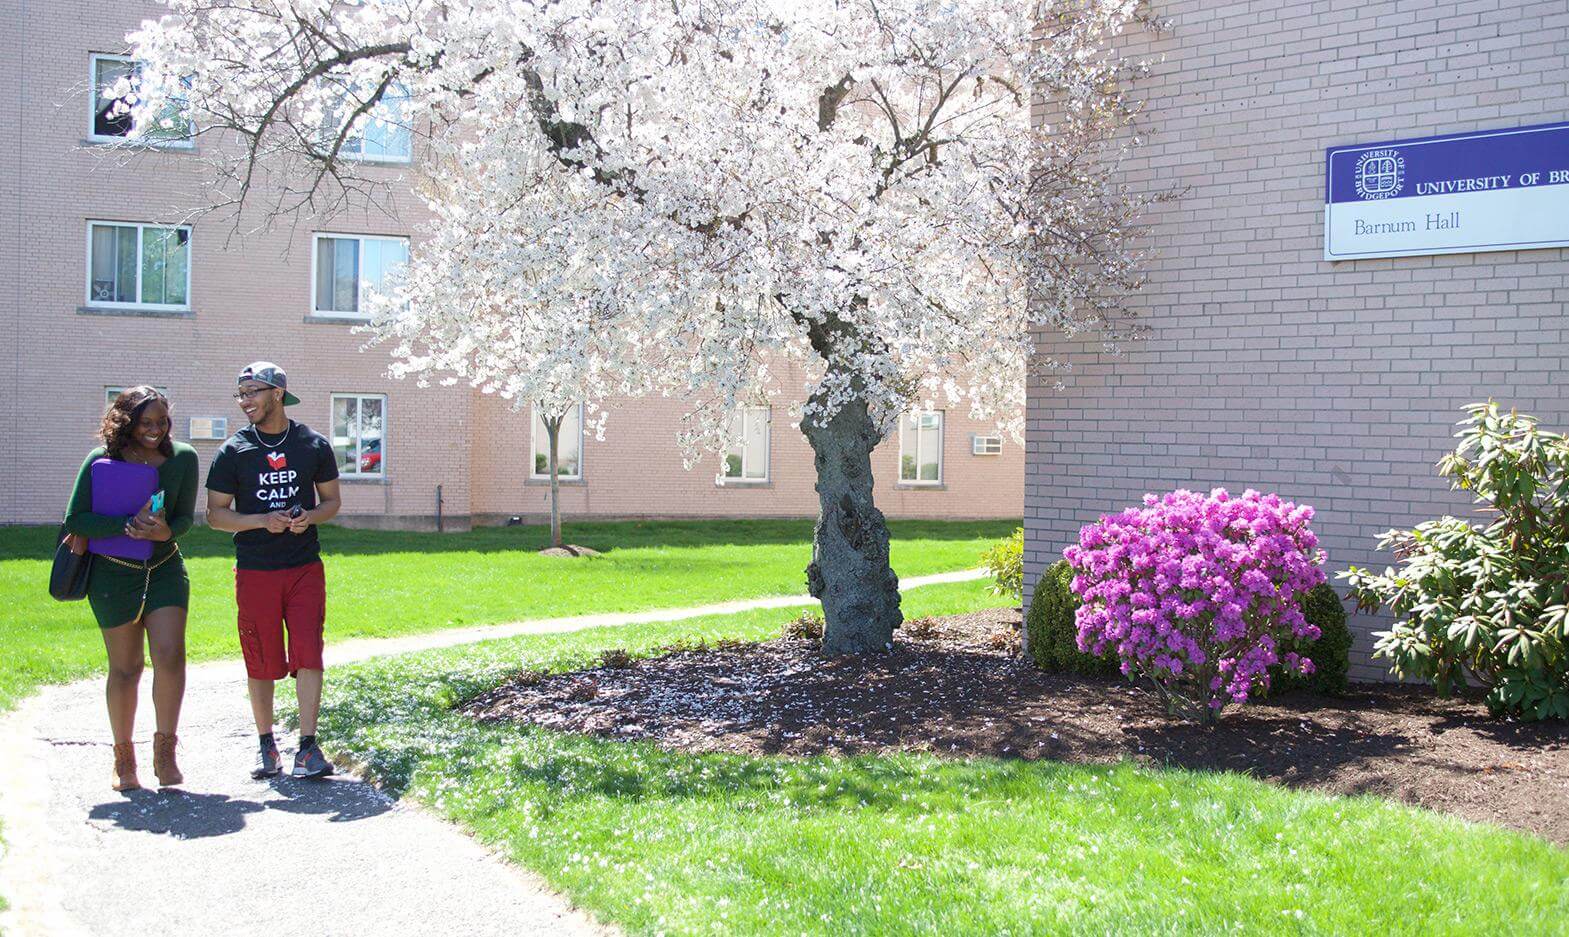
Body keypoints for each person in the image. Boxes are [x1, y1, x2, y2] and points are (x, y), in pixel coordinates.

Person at [205, 362, 342, 780]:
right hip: (256, 570)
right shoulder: (234, 451)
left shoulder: (312, 444)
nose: (244, 400)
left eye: (252, 391)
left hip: (303, 567)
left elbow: (331, 503)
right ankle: (267, 746)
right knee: (261, 656)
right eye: (240, 393)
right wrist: (261, 520)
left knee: (308, 651)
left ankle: (307, 747)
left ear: (277, 393)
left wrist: (308, 518)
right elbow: (215, 515)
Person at [65, 386, 199, 791]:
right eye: (146, 423)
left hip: (163, 568)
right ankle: (124, 758)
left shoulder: (183, 459)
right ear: (126, 422)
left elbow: (184, 519)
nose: (155, 430)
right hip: (112, 573)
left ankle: (165, 750)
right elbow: (76, 520)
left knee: (171, 655)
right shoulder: (100, 461)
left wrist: (165, 530)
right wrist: (126, 524)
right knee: (126, 669)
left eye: (162, 422)